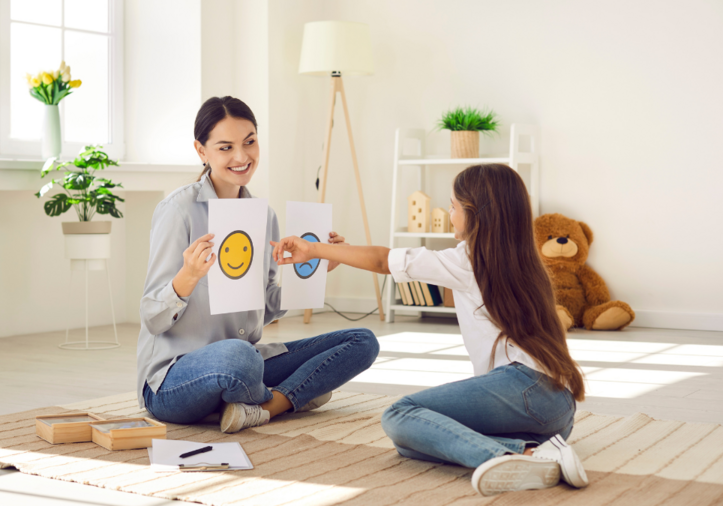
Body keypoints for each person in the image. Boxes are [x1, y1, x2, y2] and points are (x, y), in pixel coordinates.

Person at [272, 164, 589, 496]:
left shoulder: (470, 260)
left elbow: (385, 261)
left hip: (524, 390)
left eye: (453, 206)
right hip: (558, 412)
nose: (450, 214)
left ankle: (517, 455)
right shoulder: (527, 261)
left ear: (476, 213)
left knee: (401, 414)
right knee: (416, 440)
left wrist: (314, 249)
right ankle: (542, 452)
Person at [137, 96, 379, 434]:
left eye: (250, 142)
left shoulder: (263, 216)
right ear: (201, 151)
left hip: (246, 363)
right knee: (240, 357)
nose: (242, 157)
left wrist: (315, 268)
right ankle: (296, 395)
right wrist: (187, 277)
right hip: (173, 380)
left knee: (362, 341)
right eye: (225, 147)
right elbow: (151, 316)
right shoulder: (177, 211)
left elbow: (264, 307)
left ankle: (267, 405)